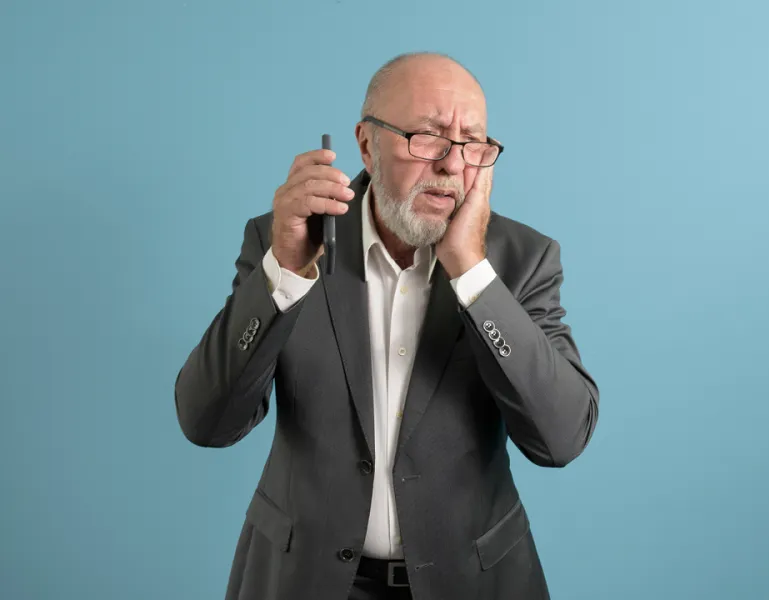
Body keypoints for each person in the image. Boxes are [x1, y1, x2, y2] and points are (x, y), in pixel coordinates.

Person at [174, 52, 599, 600]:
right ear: (366, 145)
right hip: (303, 581)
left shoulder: (524, 260)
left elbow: (561, 439)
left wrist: (472, 274)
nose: (452, 163)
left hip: (471, 583)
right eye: (427, 136)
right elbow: (206, 421)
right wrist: (281, 273)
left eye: (473, 142)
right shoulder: (287, 241)